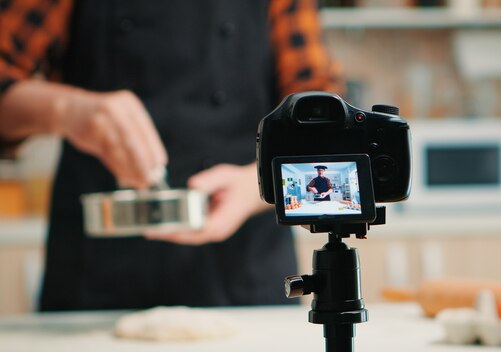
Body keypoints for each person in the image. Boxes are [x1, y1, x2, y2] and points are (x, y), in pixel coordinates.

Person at [0, 0, 343, 311]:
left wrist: (259, 187)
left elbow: (325, 127)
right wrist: (67, 110)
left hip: (244, 274)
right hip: (93, 277)